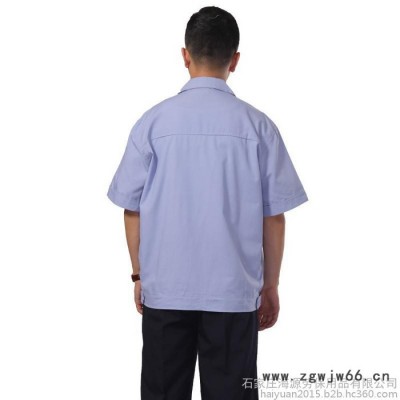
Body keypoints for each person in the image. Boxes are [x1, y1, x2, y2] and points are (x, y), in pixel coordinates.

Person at [106, 6, 308, 400]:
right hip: (233, 292)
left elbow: (132, 208)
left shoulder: (153, 123)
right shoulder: (258, 126)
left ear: (185, 55)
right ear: (235, 60)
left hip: (166, 289)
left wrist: (139, 275)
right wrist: (270, 286)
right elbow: (274, 217)